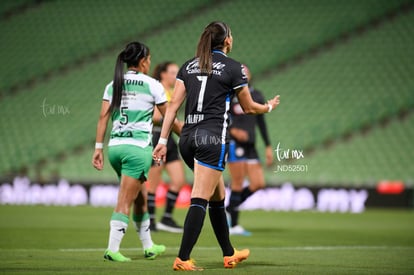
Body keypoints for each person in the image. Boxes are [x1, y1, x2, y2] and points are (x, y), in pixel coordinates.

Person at [153, 21, 280, 270]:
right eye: (232, 35)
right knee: (200, 197)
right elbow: (248, 107)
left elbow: (172, 108)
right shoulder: (233, 68)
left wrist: (163, 140)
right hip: (212, 139)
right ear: (227, 41)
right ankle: (182, 258)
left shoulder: (188, 65)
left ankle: (229, 252)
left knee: (217, 196)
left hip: (188, 139)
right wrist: (269, 106)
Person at [92, 41, 180, 262]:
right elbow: (170, 119)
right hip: (137, 149)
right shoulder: (153, 85)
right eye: (149, 59)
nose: (150, 63)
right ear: (142, 61)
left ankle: (149, 246)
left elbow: (103, 117)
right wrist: (190, 136)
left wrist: (98, 148)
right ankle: (112, 249)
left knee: (141, 197)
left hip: (115, 148)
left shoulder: (113, 84)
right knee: (125, 200)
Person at [227, 64, 274, 236]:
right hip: (235, 144)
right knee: (237, 183)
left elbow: (261, 122)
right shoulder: (230, 95)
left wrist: (268, 145)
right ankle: (233, 225)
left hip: (251, 145)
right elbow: (222, 116)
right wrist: (232, 130)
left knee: (258, 183)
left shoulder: (257, 95)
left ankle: (230, 207)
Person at [147, 61, 186, 233]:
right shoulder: (157, 89)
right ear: (163, 74)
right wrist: (175, 122)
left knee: (179, 180)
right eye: (172, 72)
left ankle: (167, 218)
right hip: (156, 137)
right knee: (153, 183)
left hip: (169, 138)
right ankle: (150, 221)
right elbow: (156, 116)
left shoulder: (171, 92)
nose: (175, 76)